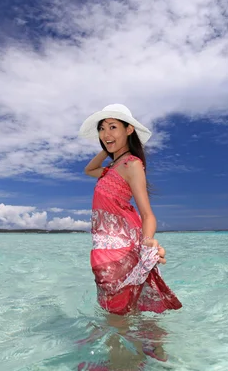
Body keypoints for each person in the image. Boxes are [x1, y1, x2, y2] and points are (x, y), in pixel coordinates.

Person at [78, 104, 182, 368]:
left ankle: (123, 363)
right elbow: (88, 170)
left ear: (129, 129)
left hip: (121, 248)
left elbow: (148, 214)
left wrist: (149, 242)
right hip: (104, 248)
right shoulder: (111, 168)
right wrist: (109, 145)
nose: (105, 133)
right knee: (121, 311)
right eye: (102, 129)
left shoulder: (131, 164)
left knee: (116, 315)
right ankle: (143, 351)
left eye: (113, 126)